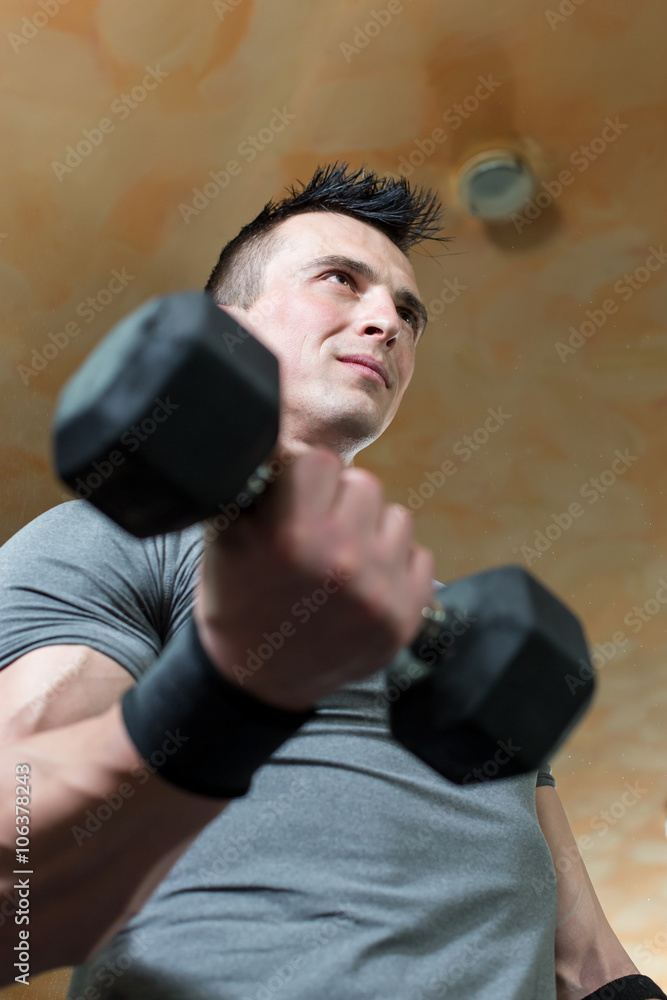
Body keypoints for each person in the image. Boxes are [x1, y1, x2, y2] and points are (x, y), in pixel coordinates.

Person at [0, 162, 662, 1000]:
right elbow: (13, 889)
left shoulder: (454, 631)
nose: (385, 321)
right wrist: (232, 690)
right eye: (339, 281)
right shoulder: (122, 537)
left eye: (408, 313)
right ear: (224, 325)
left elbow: (585, 960)